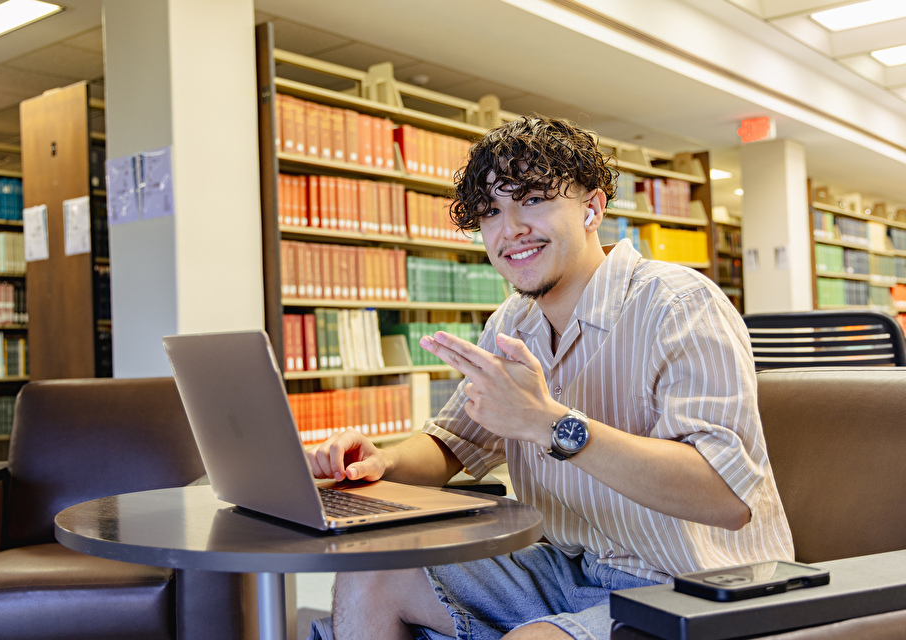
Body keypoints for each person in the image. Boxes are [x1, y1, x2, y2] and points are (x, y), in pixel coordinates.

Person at [306, 115, 793, 640]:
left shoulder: (680, 304)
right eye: (491, 211)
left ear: (593, 207)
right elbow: (454, 442)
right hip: (572, 569)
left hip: (700, 583)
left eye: (533, 199)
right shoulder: (512, 322)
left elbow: (725, 496)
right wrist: (384, 462)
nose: (509, 228)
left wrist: (551, 424)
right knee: (371, 575)